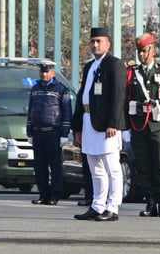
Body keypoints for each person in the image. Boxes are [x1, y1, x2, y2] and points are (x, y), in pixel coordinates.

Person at [70, 28, 125, 222]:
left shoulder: (114, 64)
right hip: (88, 121)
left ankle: (113, 207)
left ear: (108, 44)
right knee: (95, 168)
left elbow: (119, 96)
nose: (95, 45)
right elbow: (81, 96)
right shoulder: (89, 66)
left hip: (106, 125)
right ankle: (97, 205)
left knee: (112, 167)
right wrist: (77, 127)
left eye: (99, 41)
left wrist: (114, 123)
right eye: (92, 41)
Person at [126, 34, 160, 217]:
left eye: (145, 50)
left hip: (159, 124)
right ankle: (150, 203)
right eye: (139, 51)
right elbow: (127, 99)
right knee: (143, 166)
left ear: (153, 50)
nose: (142, 55)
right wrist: (126, 126)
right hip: (139, 125)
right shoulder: (132, 72)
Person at [26, 61, 72, 204]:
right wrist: (29, 131)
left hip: (54, 132)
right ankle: (43, 195)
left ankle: (54, 196)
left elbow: (66, 112)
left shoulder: (61, 89)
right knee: (40, 167)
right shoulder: (35, 88)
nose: (44, 74)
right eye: (42, 72)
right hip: (38, 132)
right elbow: (31, 110)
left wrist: (64, 134)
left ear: (53, 73)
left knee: (55, 167)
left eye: (47, 72)